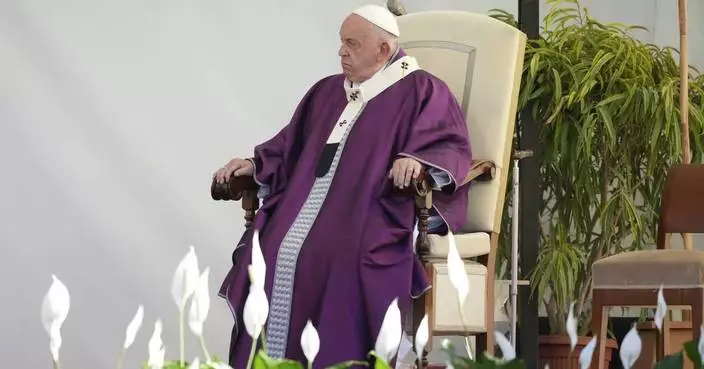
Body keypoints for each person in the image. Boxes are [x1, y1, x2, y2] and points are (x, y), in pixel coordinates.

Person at [214, 4, 472, 367]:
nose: (341, 51)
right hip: (303, 208)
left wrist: (416, 161)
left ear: (383, 50)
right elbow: (289, 146)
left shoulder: (423, 90)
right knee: (268, 251)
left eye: (352, 44)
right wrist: (255, 164)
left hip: (374, 211)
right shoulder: (326, 92)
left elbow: (450, 145)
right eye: (341, 42)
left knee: (339, 256)